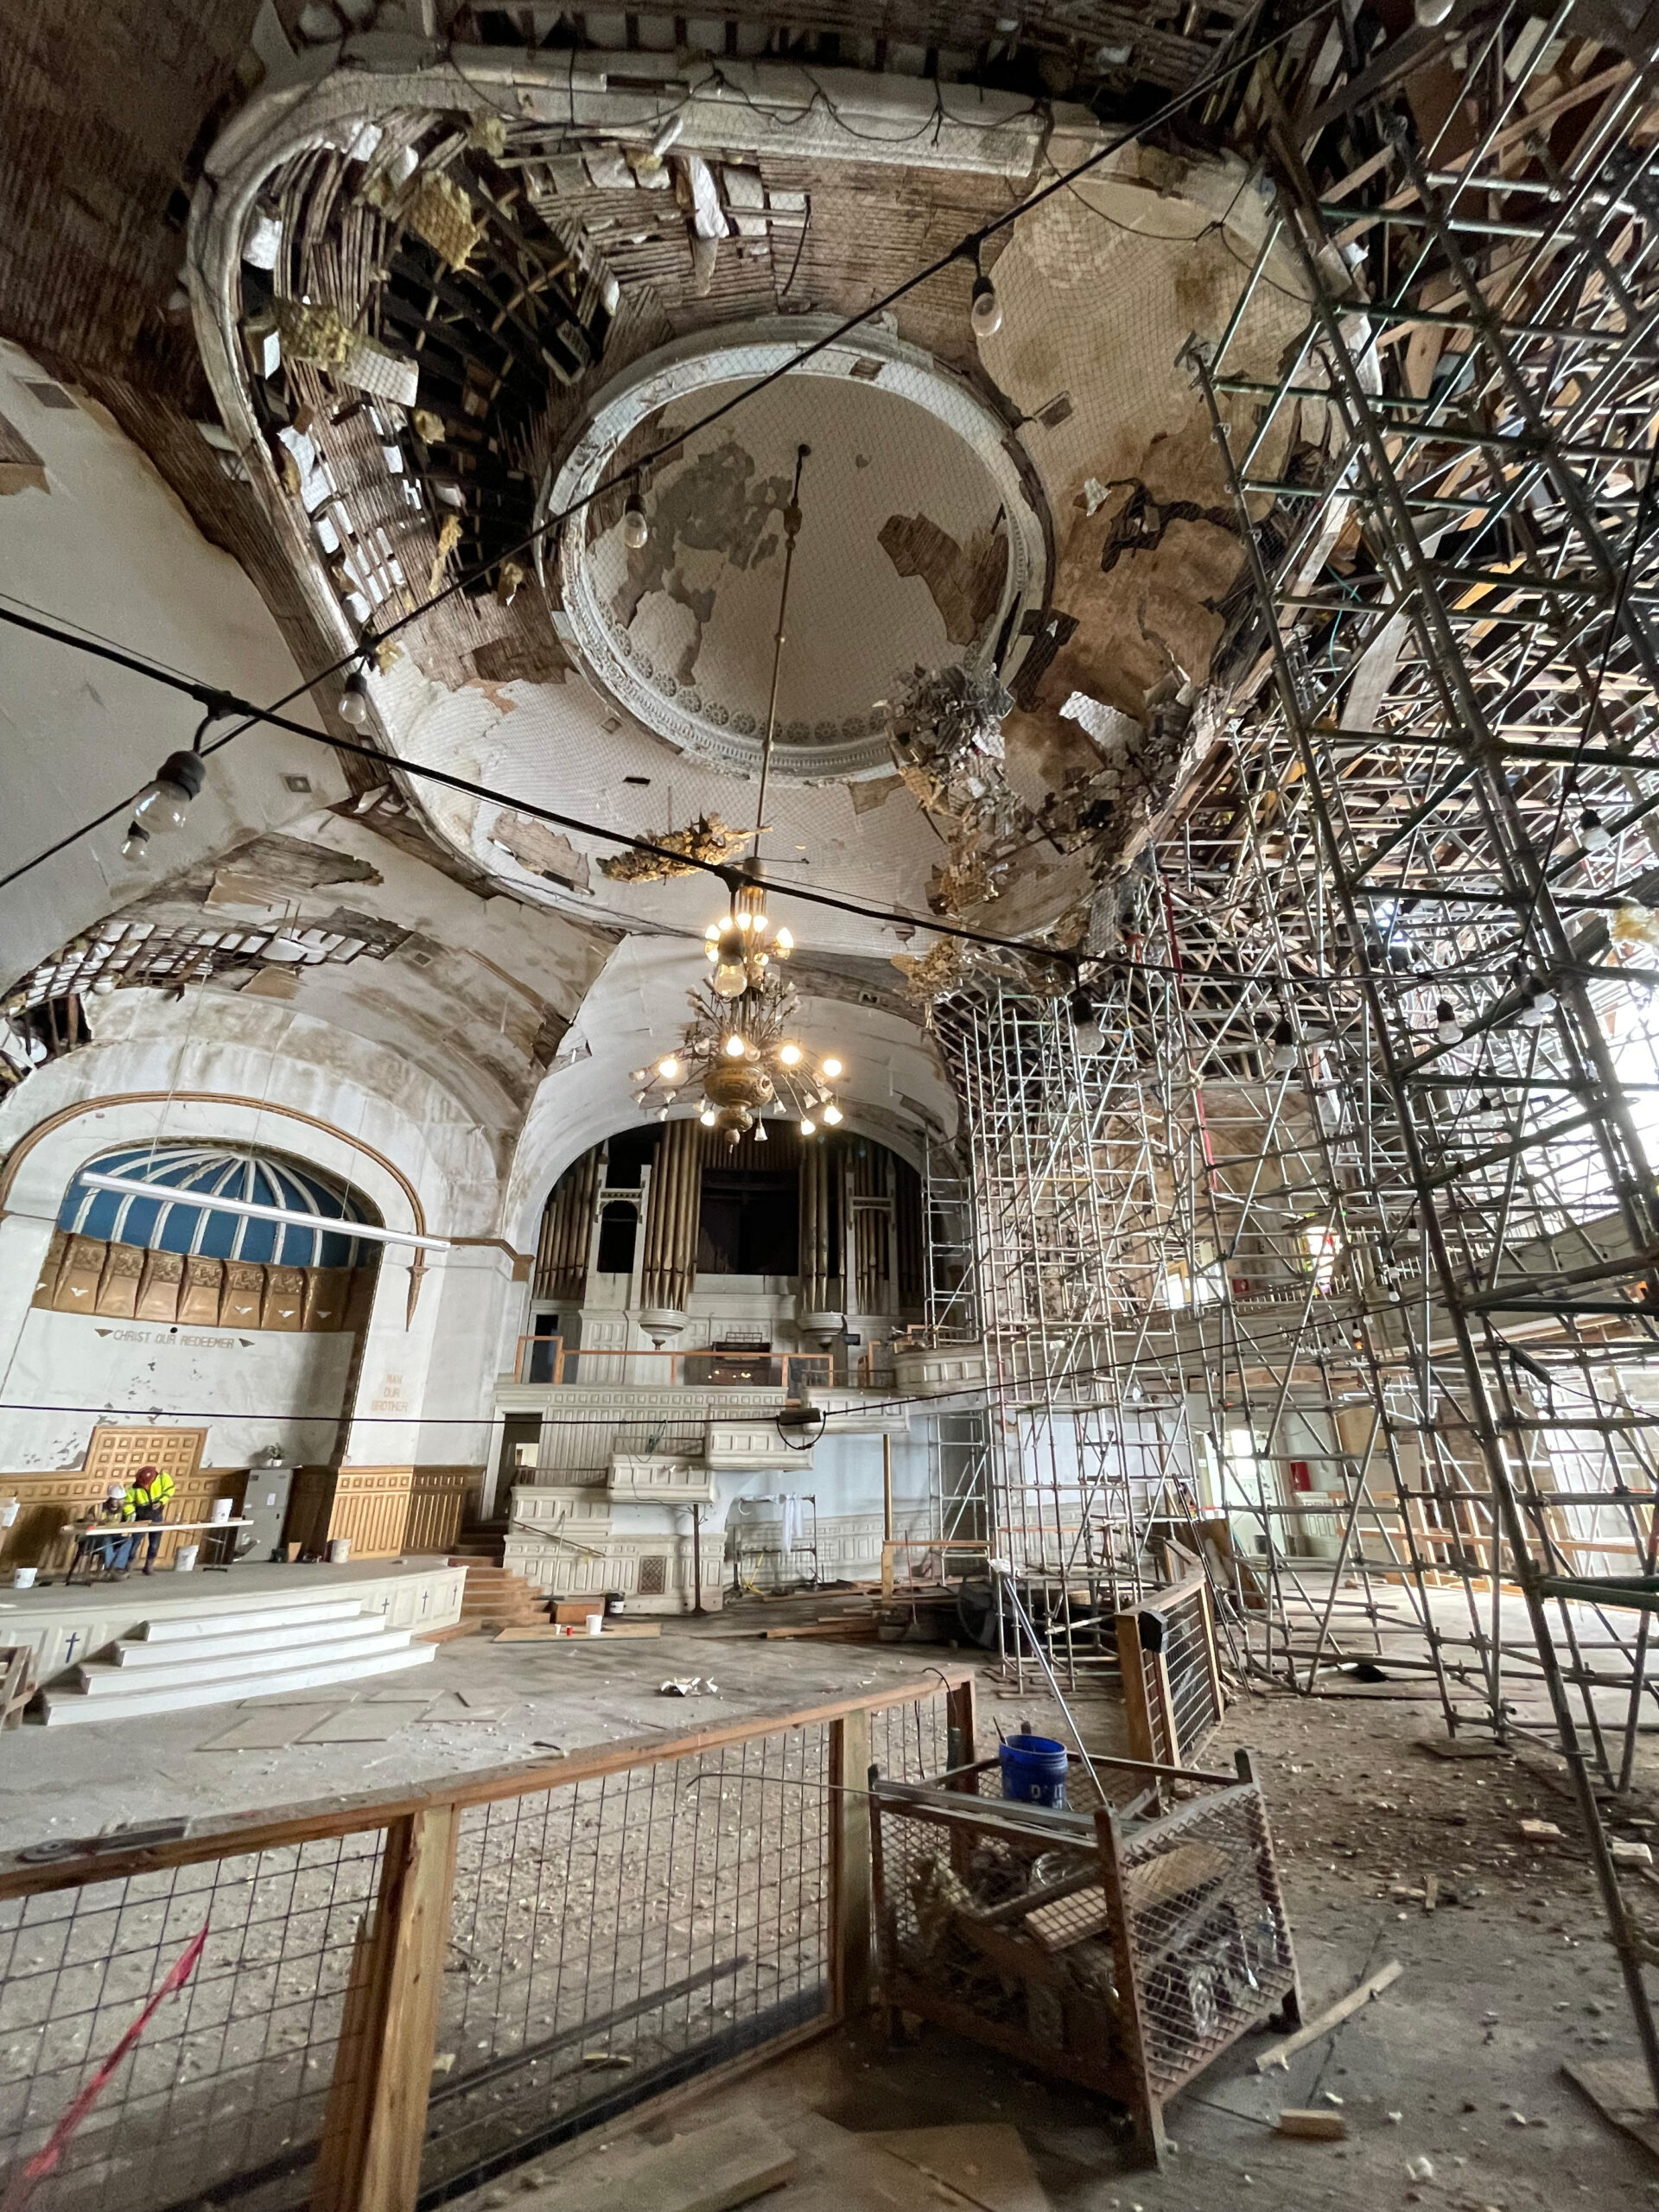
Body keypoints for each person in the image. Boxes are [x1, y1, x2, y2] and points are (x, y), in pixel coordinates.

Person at [113, 1465, 175, 1575]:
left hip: (156, 1515)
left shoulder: (162, 1479)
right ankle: (127, 1567)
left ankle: (149, 1567)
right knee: (134, 1543)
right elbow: (128, 1504)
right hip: (140, 1517)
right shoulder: (133, 1489)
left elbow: (170, 1490)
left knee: (154, 1543)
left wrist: (161, 1501)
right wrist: (131, 1515)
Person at [71, 1484, 132, 1581]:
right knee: (106, 1539)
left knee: (127, 1540)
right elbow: (86, 1523)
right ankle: (111, 1569)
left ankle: (117, 1568)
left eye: (119, 1500)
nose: (115, 1503)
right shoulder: (96, 1508)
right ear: (109, 1499)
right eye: (114, 1500)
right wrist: (97, 1522)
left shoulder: (122, 1512)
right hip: (93, 1540)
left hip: (111, 1538)